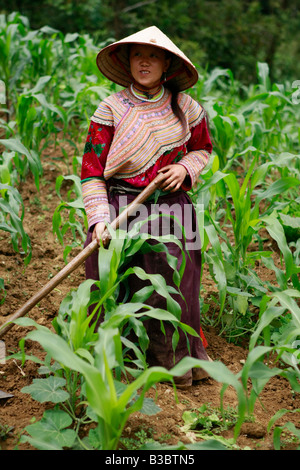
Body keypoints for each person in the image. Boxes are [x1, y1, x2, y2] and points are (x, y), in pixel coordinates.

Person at [81, 26, 213, 388]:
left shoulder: (186, 107)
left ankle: (176, 363)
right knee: (106, 276)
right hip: (120, 203)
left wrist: (185, 167)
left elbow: (203, 150)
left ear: (167, 62)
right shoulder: (110, 109)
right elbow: (91, 173)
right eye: (137, 55)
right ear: (127, 61)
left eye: (153, 55)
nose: (144, 61)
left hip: (172, 205)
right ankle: (116, 358)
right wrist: (98, 219)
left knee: (173, 274)